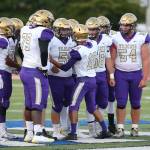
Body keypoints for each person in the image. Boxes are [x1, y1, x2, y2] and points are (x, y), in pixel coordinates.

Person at [49, 24, 111, 140]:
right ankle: (105, 130)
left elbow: (66, 67)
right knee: (92, 107)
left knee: (73, 106)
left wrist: (53, 61)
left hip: (83, 80)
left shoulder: (77, 51)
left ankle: (73, 133)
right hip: (93, 79)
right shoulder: (92, 44)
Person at [111, 13, 150, 137]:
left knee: (136, 103)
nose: (123, 27)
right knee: (121, 102)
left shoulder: (141, 37)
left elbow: (146, 59)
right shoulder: (115, 37)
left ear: (133, 26)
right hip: (120, 73)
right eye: (122, 25)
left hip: (136, 73)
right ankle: (120, 128)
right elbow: (111, 58)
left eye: (126, 25)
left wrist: (145, 78)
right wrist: (111, 75)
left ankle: (135, 127)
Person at [19, 9, 55, 143]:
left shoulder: (25, 29)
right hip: (36, 71)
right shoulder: (44, 32)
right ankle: (38, 133)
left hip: (26, 68)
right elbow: (44, 49)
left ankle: (29, 133)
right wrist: (44, 66)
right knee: (37, 104)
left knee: (29, 104)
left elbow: (19, 48)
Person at [85, 17, 115, 137]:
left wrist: (111, 75)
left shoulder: (106, 40)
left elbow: (108, 58)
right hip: (88, 74)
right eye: (90, 29)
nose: (91, 32)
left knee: (103, 103)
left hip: (102, 74)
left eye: (94, 29)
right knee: (91, 103)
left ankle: (98, 125)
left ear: (99, 29)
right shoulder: (83, 39)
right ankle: (92, 127)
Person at [48, 18, 76, 139]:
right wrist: (50, 66)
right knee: (57, 105)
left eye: (67, 29)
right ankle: (55, 130)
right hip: (55, 77)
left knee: (68, 103)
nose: (65, 32)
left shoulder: (72, 41)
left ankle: (64, 127)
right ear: (56, 29)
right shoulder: (50, 40)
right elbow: (44, 54)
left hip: (69, 76)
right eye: (62, 29)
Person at [0, 17, 20, 141]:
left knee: (4, 103)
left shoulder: (8, 40)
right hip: (1, 73)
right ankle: (1, 132)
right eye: (11, 28)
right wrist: (19, 66)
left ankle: (2, 130)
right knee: (2, 103)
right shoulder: (3, 40)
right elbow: (7, 60)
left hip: (6, 72)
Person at [97, 16, 117, 134]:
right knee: (95, 98)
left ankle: (110, 123)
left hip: (109, 68)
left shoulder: (113, 36)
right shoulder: (91, 37)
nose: (104, 29)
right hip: (97, 69)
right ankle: (97, 124)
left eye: (106, 27)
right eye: (102, 27)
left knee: (111, 97)